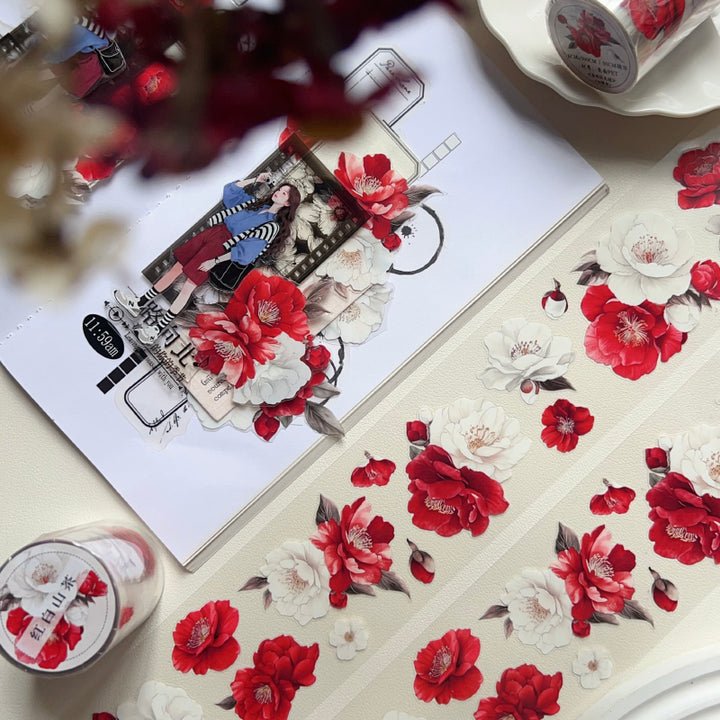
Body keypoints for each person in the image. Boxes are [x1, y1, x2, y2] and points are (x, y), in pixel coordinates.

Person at [115, 173, 301, 344]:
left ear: (288, 204)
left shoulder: (271, 226)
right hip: (213, 233)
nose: (279, 192)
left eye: (284, 194)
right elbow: (230, 191)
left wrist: (216, 261)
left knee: (189, 286)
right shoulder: (255, 204)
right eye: (280, 189)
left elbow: (246, 252)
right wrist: (255, 181)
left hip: (222, 247)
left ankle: (156, 329)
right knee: (176, 268)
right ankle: (139, 303)